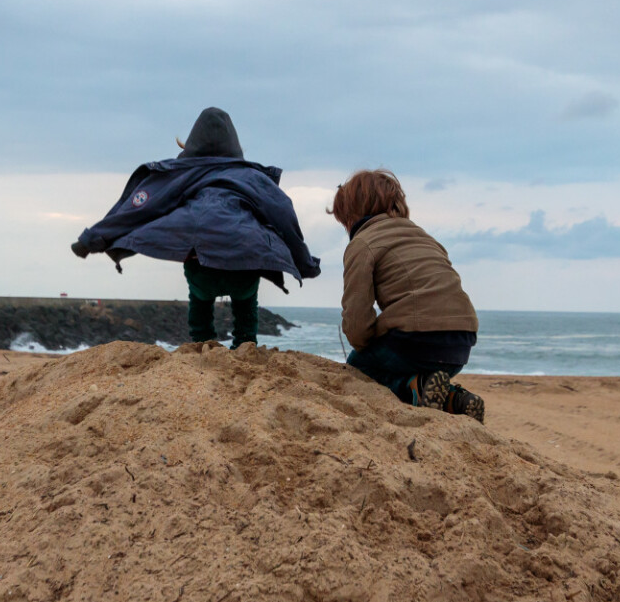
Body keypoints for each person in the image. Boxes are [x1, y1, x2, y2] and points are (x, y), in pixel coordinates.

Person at [72, 108, 320, 348]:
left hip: (201, 263)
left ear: (190, 144)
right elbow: (283, 213)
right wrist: (304, 263)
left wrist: (91, 239)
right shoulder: (252, 177)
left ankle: (203, 345)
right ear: (235, 144)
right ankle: (246, 345)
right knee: (246, 307)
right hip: (245, 259)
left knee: (200, 303)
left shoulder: (182, 175)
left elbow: (139, 209)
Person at [332, 169, 484, 421]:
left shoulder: (363, 243)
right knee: (421, 372)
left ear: (352, 214)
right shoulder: (426, 238)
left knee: (359, 366)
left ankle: (413, 387)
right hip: (460, 345)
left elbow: (357, 321)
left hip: (414, 342)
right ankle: (452, 399)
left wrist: (365, 343)